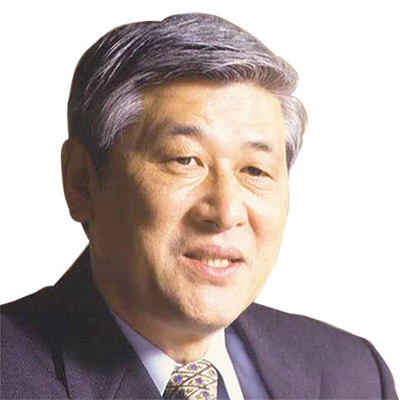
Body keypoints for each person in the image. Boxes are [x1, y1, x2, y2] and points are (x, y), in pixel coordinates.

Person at [0, 13, 397, 400]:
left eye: (255, 170)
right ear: (82, 182)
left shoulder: (353, 375)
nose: (225, 212)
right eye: (185, 160)